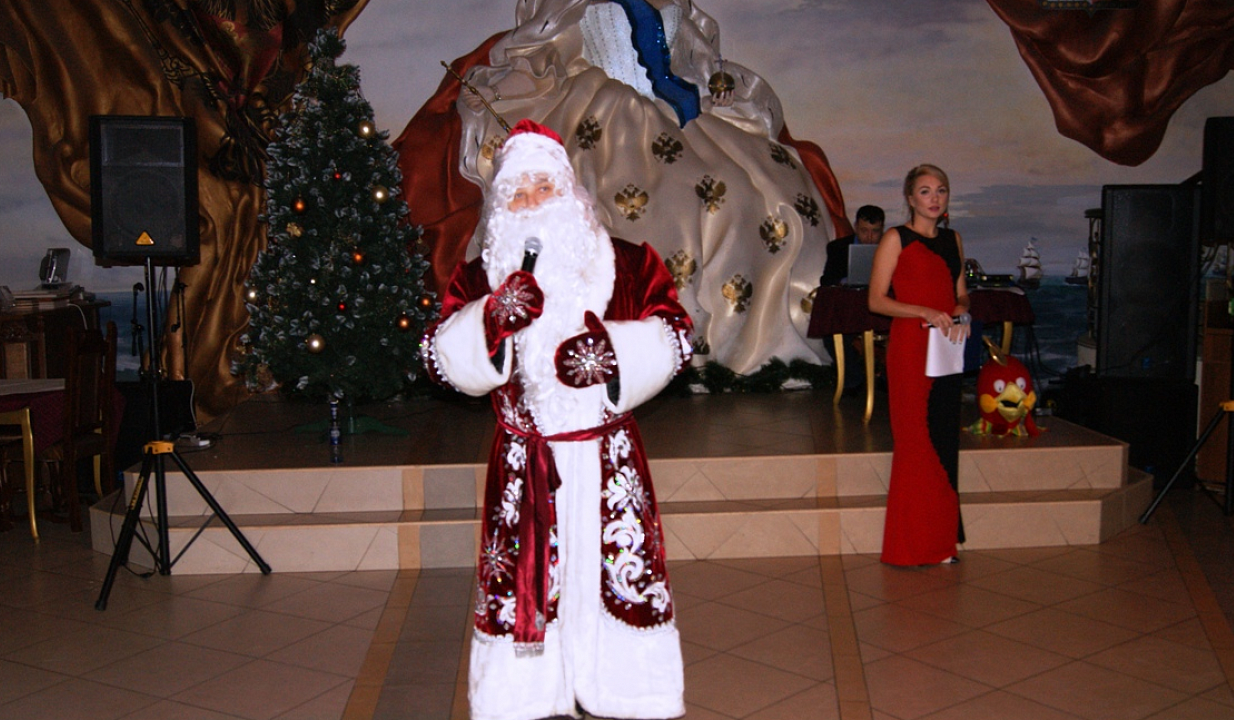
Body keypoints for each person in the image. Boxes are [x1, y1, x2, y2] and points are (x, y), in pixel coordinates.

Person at [395, 0, 853, 374]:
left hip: (685, 118)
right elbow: (539, 53)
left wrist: (717, 85)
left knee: (749, 191)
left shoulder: (679, 7)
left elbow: (694, 64)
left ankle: (750, 346)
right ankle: (641, 348)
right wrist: (507, 83)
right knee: (646, 203)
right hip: (606, 116)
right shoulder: (572, 5)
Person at [421, 119, 691, 720]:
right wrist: (489, 322)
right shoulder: (478, 277)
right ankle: (524, 695)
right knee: (525, 582)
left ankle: (627, 688)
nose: (530, 203)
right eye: (516, 193)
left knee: (615, 576)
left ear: (569, 192)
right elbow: (436, 358)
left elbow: (677, 335)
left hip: (607, 459)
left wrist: (613, 356)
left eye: (542, 187)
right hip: (525, 463)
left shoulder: (628, 262)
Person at [867, 165, 970, 566]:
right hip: (911, 349)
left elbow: (961, 294)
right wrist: (923, 310)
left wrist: (959, 310)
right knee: (916, 444)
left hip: (946, 347)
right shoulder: (895, 238)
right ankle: (909, 547)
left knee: (943, 443)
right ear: (910, 198)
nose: (934, 198)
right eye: (925, 191)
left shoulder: (953, 239)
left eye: (941, 190)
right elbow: (876, 301)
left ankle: (941, 544)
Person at [819, 205, 886, 390]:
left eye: (875, 232)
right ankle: (853, 379)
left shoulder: (892, 246)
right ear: (856, 227)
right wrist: (845, 280)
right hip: (850, 308)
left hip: (884, 308)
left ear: (883, 230)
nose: (870, 237)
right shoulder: (838, 248)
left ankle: (888, 379)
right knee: (831, 332)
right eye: (864, 231)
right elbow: (826, 279)